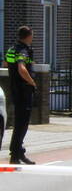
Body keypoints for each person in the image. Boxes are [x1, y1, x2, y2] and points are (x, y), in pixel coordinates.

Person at [5, 25, 36, 165]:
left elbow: (6, 64)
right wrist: (32, 82)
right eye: (32, 35)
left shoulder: (12, 49)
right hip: (24, 91)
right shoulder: (23, 50)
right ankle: (15, 155)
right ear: (28, 36)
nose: (33, 37)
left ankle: (18, 152)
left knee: (19, 123)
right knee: (22, 124)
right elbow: (22, 68)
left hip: (15, 90)